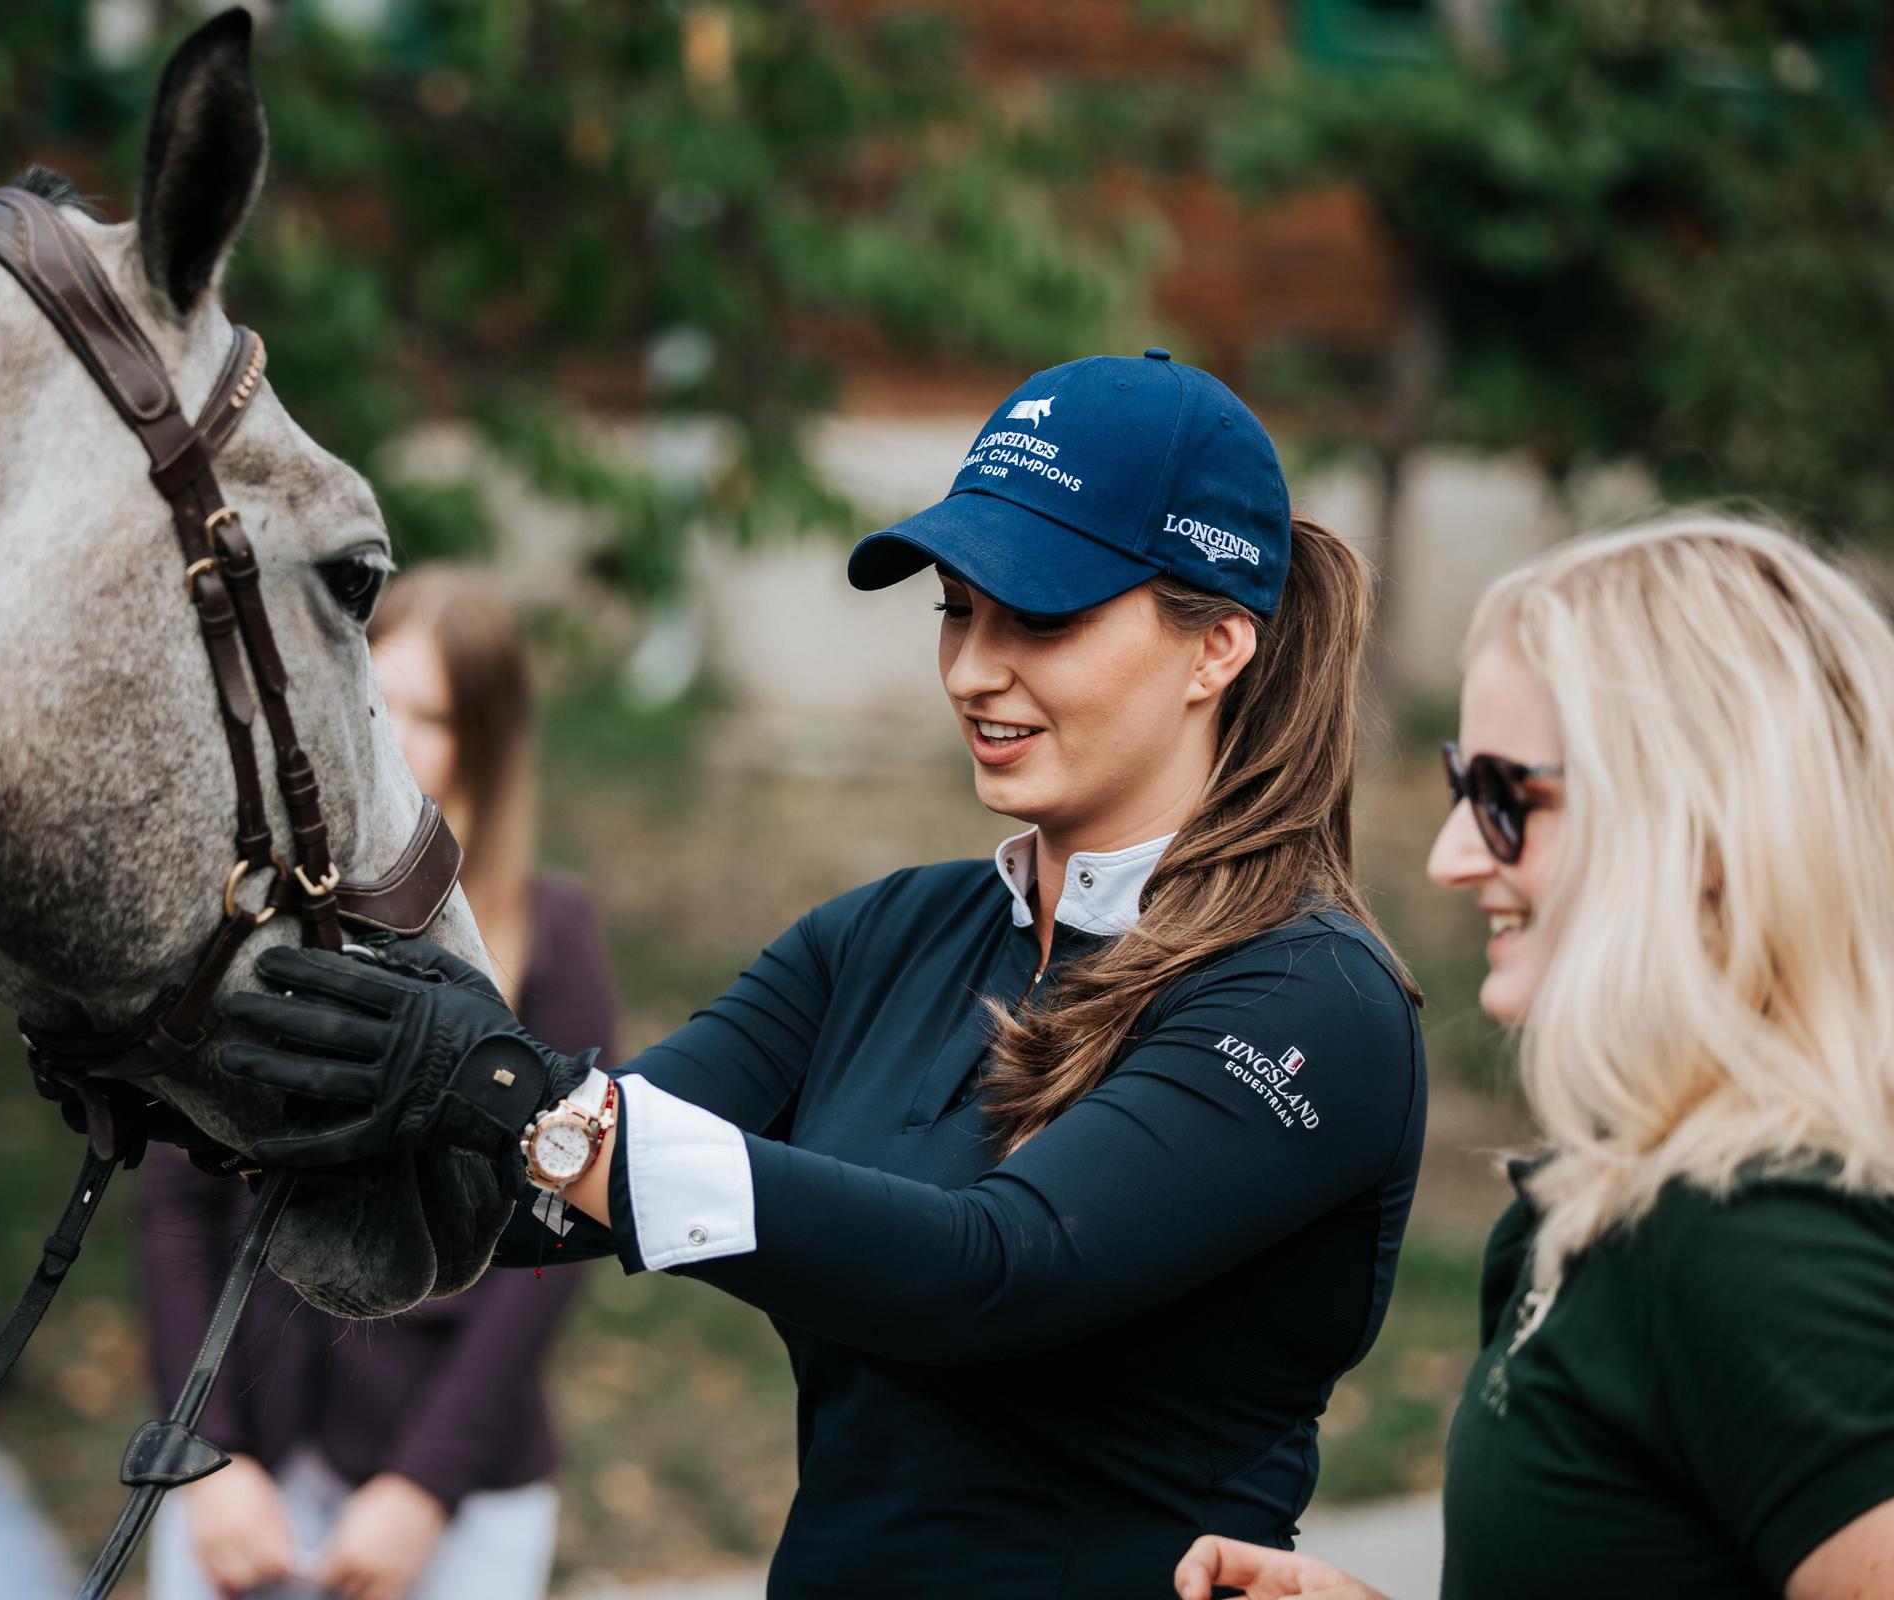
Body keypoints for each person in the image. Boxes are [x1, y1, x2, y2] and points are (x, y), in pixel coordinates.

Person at [215, 352, 1430, 1596]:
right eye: (957, 608)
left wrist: (523, 1098)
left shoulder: (1310, 999)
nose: (971, 668)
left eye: (1043, 617)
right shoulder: (889, 933)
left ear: (1217, 645)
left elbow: (993, 1270)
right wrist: (217, 1073)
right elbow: (543, 1196)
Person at [1176, 514, 1894, 1600]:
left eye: (1505, 796)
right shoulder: (1620, 1199)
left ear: (1706, 829)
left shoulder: (1759, 1243)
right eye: (1456, 786)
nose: (1449, 855)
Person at [137, 567, 615, 1600]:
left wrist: (421, 1489)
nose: (388, 734)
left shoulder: (550, 940)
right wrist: (201, 1446)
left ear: (483, 745)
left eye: (429, 714)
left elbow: (559, 1242)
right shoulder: (257, 924)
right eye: (371, 699)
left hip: (446, 1492)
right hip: (242, 1464)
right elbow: (178, 1201)